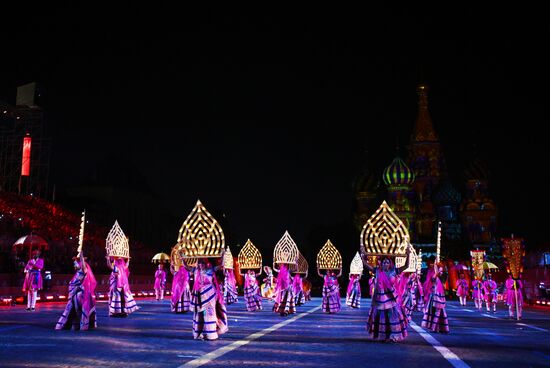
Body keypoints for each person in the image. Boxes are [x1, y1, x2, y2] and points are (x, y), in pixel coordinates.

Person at [362, 255, 408, 342]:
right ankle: (384, 336)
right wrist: (363, 257)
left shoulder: (394, 271)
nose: (385, 264)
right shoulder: (377, 271)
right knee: (382, 319)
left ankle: (393, 336)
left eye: (387, 262)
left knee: (392, 318)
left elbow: (406, 266)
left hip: (391, 298)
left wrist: (408, 254)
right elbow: (366, 265)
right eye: (384, 262)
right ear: (381, 264)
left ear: (390, 264)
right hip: (380, 299)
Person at [186, 257, 228, 340]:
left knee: (210, 313)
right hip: (199, 295)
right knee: (199, 314)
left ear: (205, 264)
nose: (201, 265)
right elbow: (186, 266)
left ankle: (211, 334)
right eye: (199, 264)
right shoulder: (196, 271)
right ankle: (198, 333)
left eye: (202, 263)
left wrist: (223, 256)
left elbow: (221, 266)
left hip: (209, 294)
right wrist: (182, 258)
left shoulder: (210, 270)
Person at [55, 250, 97, 330]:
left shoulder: (84, 270)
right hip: (75, 293)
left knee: (78, 306)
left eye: (76, 262)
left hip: (81, 293)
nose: (75, 264)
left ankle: (82, 324)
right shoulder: (77, 272)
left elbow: (83, 268)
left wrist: (81, 258)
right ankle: (72, 323)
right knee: (72, 308)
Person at [421, 266, 449, 333]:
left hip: (439, 296)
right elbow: (433, 278)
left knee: (438, 312)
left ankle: (434, 328)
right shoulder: (437, 277)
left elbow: (435, 276)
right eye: (439, 271)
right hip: (433, 296)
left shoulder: (443, 279)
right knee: (436, 312)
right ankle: (441, 328)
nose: (440, 272)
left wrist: (436, 268)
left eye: (441, 271)